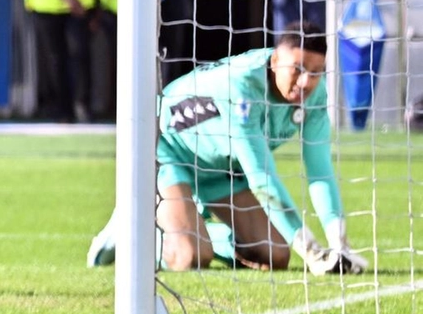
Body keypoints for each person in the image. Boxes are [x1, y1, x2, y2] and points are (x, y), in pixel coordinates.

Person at [87, 23, 370, 276]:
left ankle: (195, 227)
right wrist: (312, 251)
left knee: (275, 254)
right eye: (297, 69)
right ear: (274, 61)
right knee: (190, 257)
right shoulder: (243, 87)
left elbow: (320, 171)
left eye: (316, 72)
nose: (306, 82)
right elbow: (261, 179)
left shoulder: (316, 95)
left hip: (221, 167)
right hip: (167, 150)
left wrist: (339, 245)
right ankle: (131, 235)